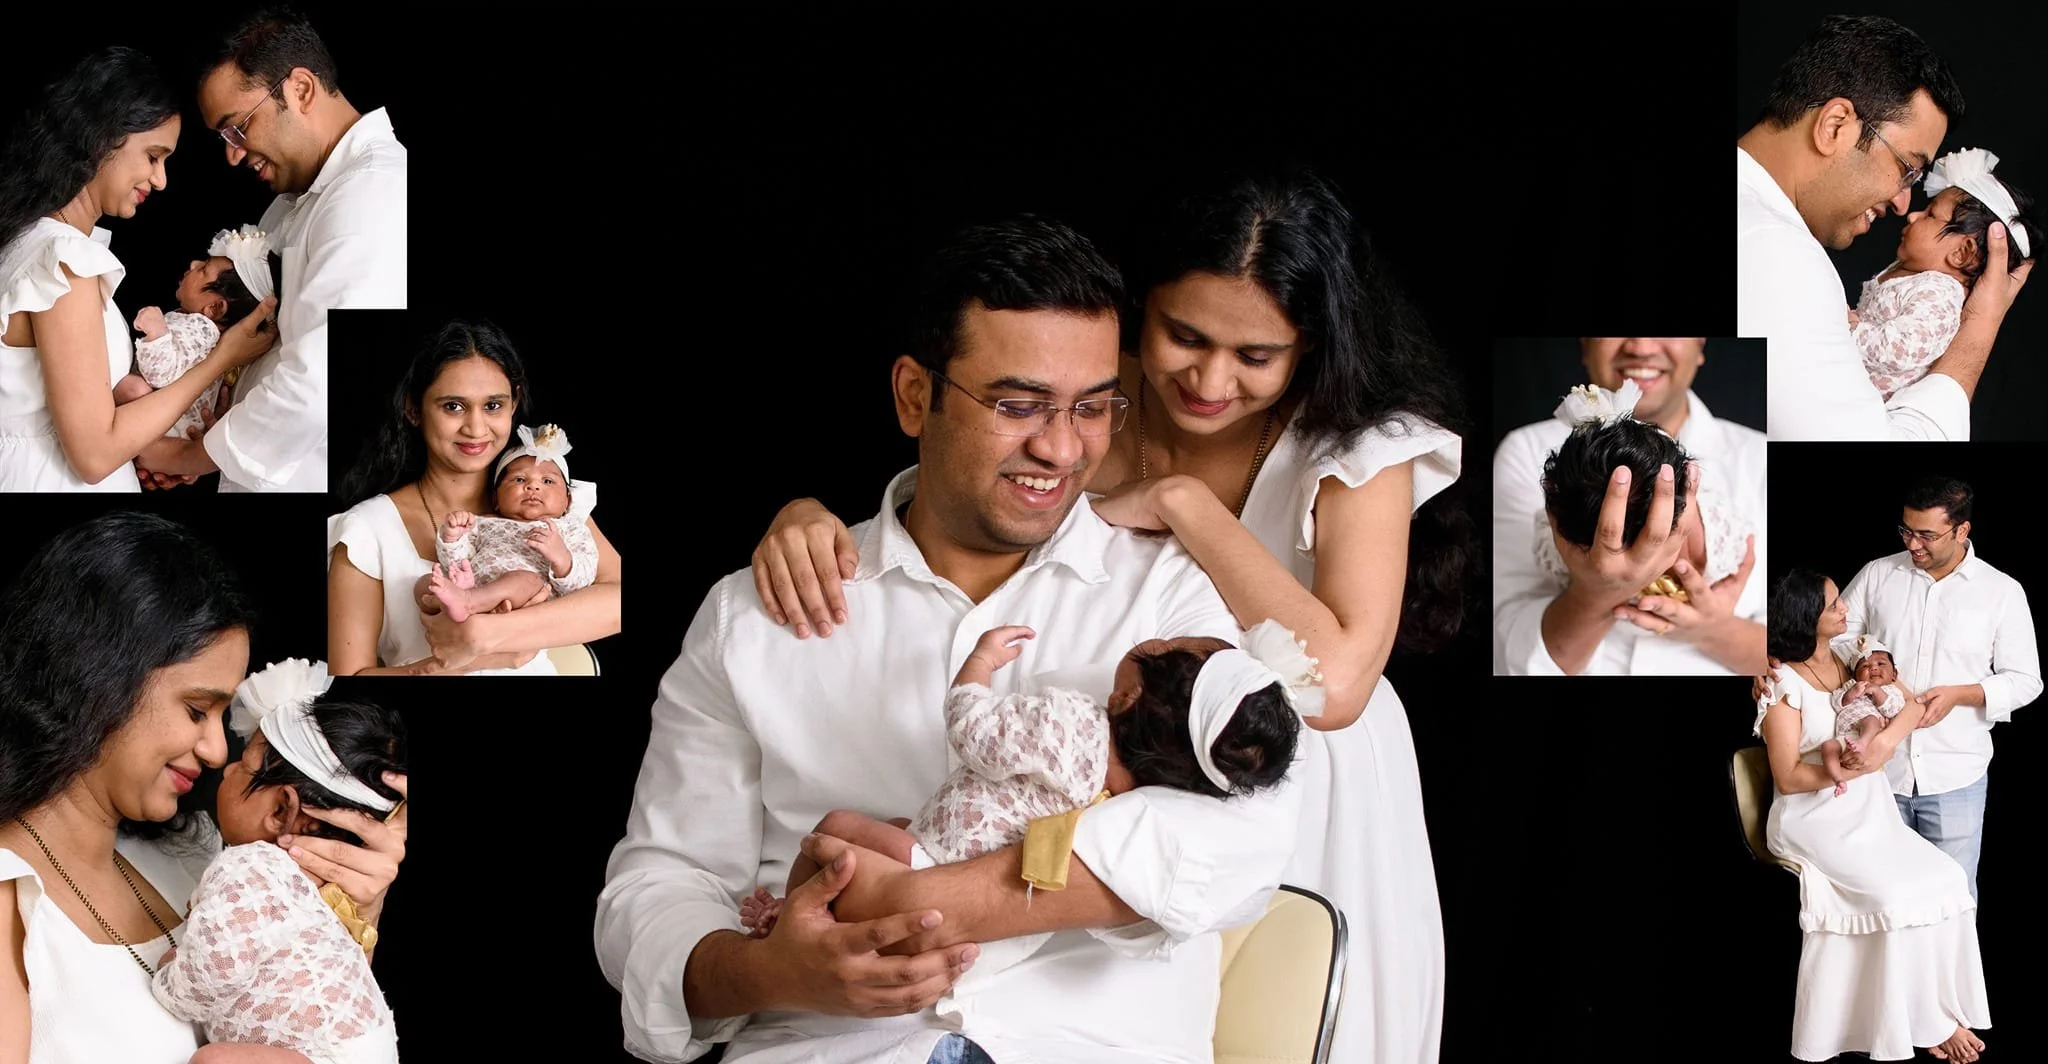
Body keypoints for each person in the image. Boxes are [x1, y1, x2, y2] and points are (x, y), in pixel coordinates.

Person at [740, 168, 1471, 1063]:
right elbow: (952, 494)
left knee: (1301, 1011)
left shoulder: (1358, 445)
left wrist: (1184, 504)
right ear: (1143, 307)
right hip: (1123, 753)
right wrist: (804, 518)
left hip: (1301, 769)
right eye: (1183, 336)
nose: (1207, 379)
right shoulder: (1089, 397)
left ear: (1310, 346)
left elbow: (1336, 686)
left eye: (1256, 357)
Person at [597, 215, 1305, 1064]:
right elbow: (657, 886)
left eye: (1092, 408)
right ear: (912, 395)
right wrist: (772, 974)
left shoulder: (1171, 597)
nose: (1059, 447)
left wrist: (935, 898)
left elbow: (1243, 838)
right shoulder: (753, 613)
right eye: (1017, 404)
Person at [0, 511, 407, 1063]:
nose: (219, 751)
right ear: (93, 679)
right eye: (197, 709)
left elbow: (302, 1023)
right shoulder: (13, 895)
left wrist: (353, 907)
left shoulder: (196, 849)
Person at [739, 619, 1314, 949]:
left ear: (1126, 697)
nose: (1161, 636)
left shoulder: (1071, 724)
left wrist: (979, 667)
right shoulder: (1140, 789)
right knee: (886, 829)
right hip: (954, 869)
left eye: (1162, 647)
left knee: (836, 827)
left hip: (935, 859)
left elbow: (974, 731)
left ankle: (786, 920)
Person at [139, 7, 407, 492]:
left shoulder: (371, 197)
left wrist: (188, 455)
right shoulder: (290, 206)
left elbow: (318, 381)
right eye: (224, 137)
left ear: (300, 89)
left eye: (238, 126)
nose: (233, 153)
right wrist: (205, 429)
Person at [1736, 14, 2032, 441]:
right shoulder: (1777, 252)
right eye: (1906, 168)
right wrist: (1980, 330)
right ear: (1835, 125)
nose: (1903, 202)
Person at [0, 47, 274, 492]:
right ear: (101, 139)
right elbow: (92, 457)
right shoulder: (62, 261)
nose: (161, 179)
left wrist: (157, 447)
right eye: (153, 156)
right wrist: (222, 360)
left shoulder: (33, 241)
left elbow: (84, 417)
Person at [1755, 569, 1988, 1062]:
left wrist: (1881, 739)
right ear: (1807, 618)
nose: (1846, 610)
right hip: (1814, 816)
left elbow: (1908, 700)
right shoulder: (1779, 684)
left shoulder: (1850, 658)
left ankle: (1938, 1009)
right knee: (1893, 892)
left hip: (1870, 814)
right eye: (1835, 605)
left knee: (1946, 877)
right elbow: (1790, 777)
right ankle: (1917, 1025)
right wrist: (1853, 770)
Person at [330, 321, 621, 676]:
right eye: (453, 406)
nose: (477, 428)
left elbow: (619, 599)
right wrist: (479, 658)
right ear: (413, 409)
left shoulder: (546, 502)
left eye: (494, 405)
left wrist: (492, 633)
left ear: (514, 402)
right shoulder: (368, 530)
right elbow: (349, 679)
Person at [152, 659, 403, 1064]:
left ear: (281, 810)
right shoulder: (307, 888)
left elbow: (210, 973)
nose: (227, 765)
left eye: (245, 765)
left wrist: (169, 978)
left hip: (321, 1055)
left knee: (212, 1061)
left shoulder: (252, 866)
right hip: (360, 1043)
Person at [1493, 339, 1766, 675]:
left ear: (1700, 344)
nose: (1640, 345)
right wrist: (1594, 594)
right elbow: (1507, 655)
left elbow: (1801, 661)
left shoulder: (1761, 458)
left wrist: (1713, 629)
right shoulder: (1526, 451)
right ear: (1585, 344)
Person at [1834, 477, 2039, 900]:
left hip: (1954, 774)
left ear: (1962, 530)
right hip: (1879, 775)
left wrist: (1961, 695)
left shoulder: (2001, 592)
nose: (1913, 545)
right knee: (1880, 897)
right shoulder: (1878, 573)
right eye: (1906, 530)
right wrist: (1865, 658)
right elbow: (1836, 635)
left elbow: (2025, 681)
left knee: (1952, 900)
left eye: (1926, 534)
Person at [1853, 149, 2043, 399]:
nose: (1912, 215)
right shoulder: (1914, 274)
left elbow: (1905, 349)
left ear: (1962, 252)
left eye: (1930, 214)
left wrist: (1852, 331)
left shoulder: (1940, 293)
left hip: (1866, 403)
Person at [115, 224, 281, 441]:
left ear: (214, 308)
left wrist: (157, 333)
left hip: (160, 427)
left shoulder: (201, 331)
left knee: (134, 389)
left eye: (203, 270)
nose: (194, 264)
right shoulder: (207, 332)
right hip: (172, 430)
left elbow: (159, 374)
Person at [422, 423, 598, 622]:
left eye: (547, 481)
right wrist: (453, 538)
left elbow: (583, 581)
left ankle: (467, 603)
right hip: (473, 586)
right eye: (520, 480)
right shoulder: (484, 523)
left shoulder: (570, 529)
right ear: (496, 499)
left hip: (528, 598)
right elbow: (457, 563)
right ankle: (458, 602)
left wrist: (561, 558)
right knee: (424, 582)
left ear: (567, 500)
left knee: (525, 580)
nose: (533, 486)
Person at [1822, 637, 1913, 797]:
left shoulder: (1891, 691)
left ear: (1894, 675)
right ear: (1854, 675)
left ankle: (1861, 744)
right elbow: (1836, 702)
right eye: (1865, 666)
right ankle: (1838, 780)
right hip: (1845, 736)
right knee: (1828, 747)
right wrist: (1851, 694)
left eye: (1881, 664)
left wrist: (1877, 692)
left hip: (1867, 738)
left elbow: (1894, 710)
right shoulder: (1850, 686)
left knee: (1870, 720)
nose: (1873, 668)